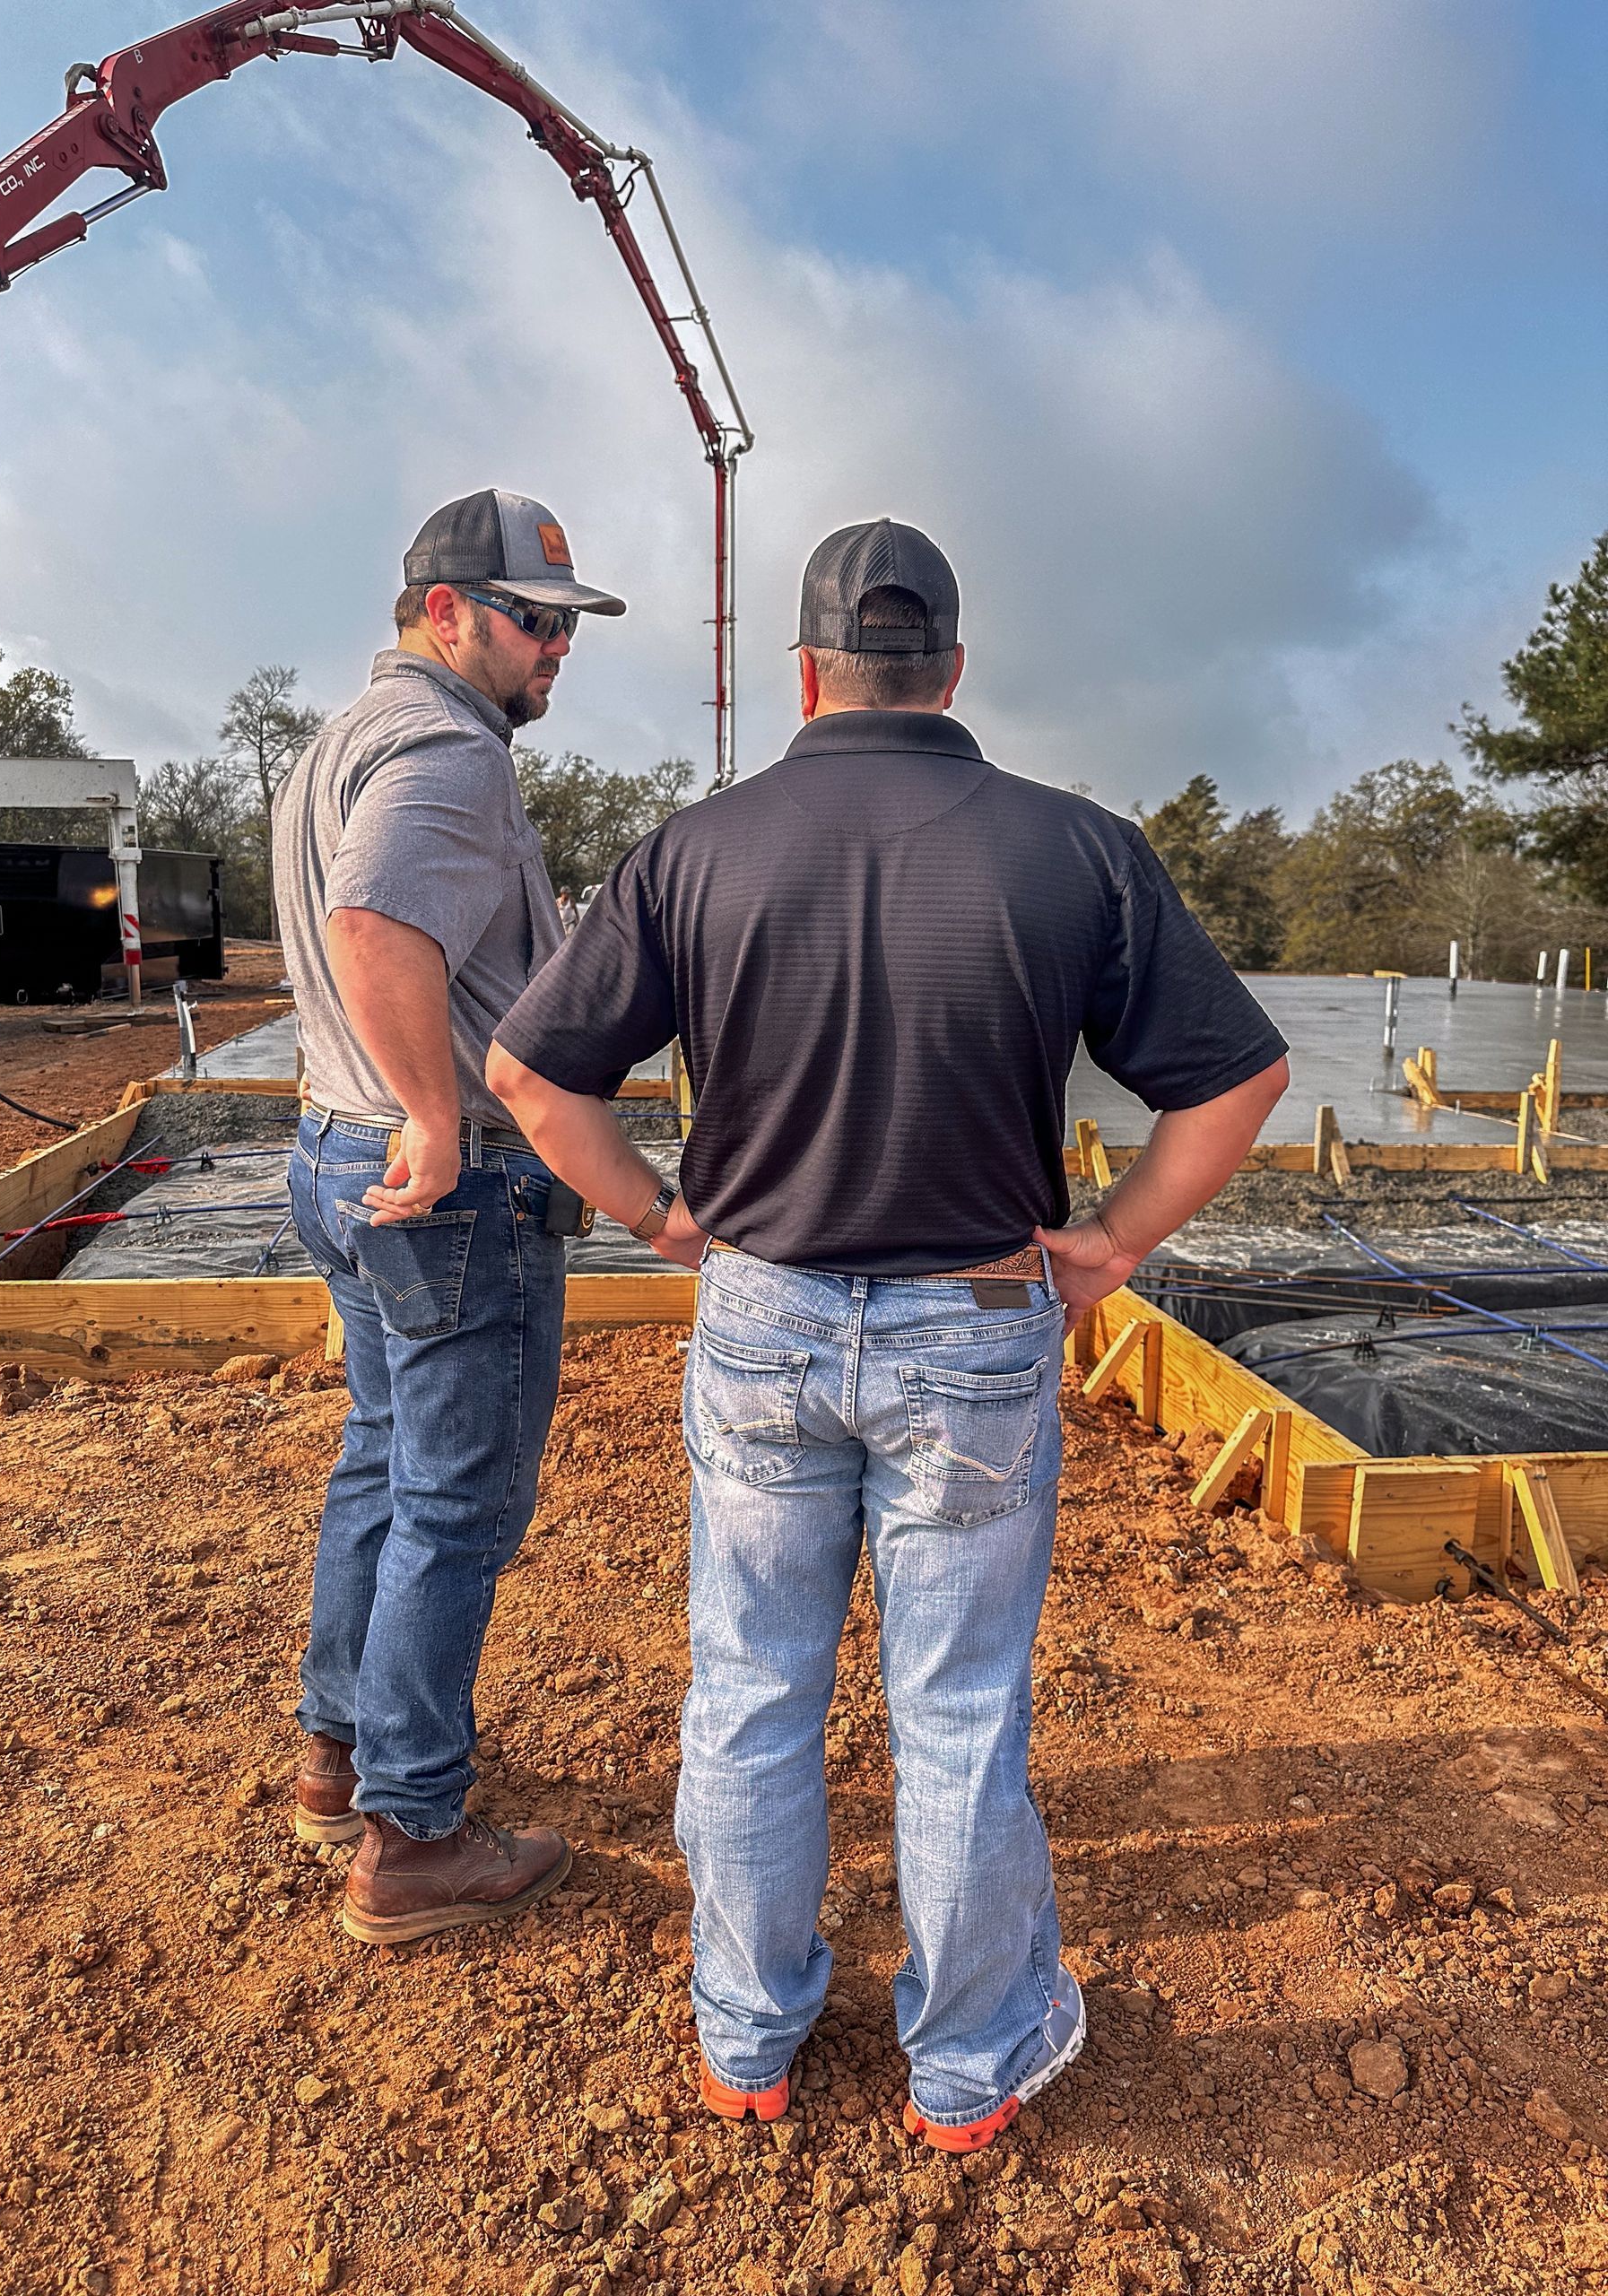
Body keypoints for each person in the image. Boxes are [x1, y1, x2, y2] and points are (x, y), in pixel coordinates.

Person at [486, 518, 1289, 2148]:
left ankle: (747, 2039)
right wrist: (1117, 1242)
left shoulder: (697, 849)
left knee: (751, 1690)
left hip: (764, 1318)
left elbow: (528, 1072)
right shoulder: (1076, 849)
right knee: (959, 1711)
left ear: (805, 670)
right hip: (980, 1325)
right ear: (955, 672)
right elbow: (1236, 1075)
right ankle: (970, 2065)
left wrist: (657, 1218)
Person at [271, 486, 627, 1945]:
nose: (557, 647)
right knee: (458, 1503)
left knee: (382, 1457)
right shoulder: (447, 749)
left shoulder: (334, 746)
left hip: (334, 1158)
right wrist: (434, 1110)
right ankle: (413, 1836)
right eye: (534, 621)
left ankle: (339, 1752)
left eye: (565, 624)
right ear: (444, 616)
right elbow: (374, 926)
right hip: (440, 1185)